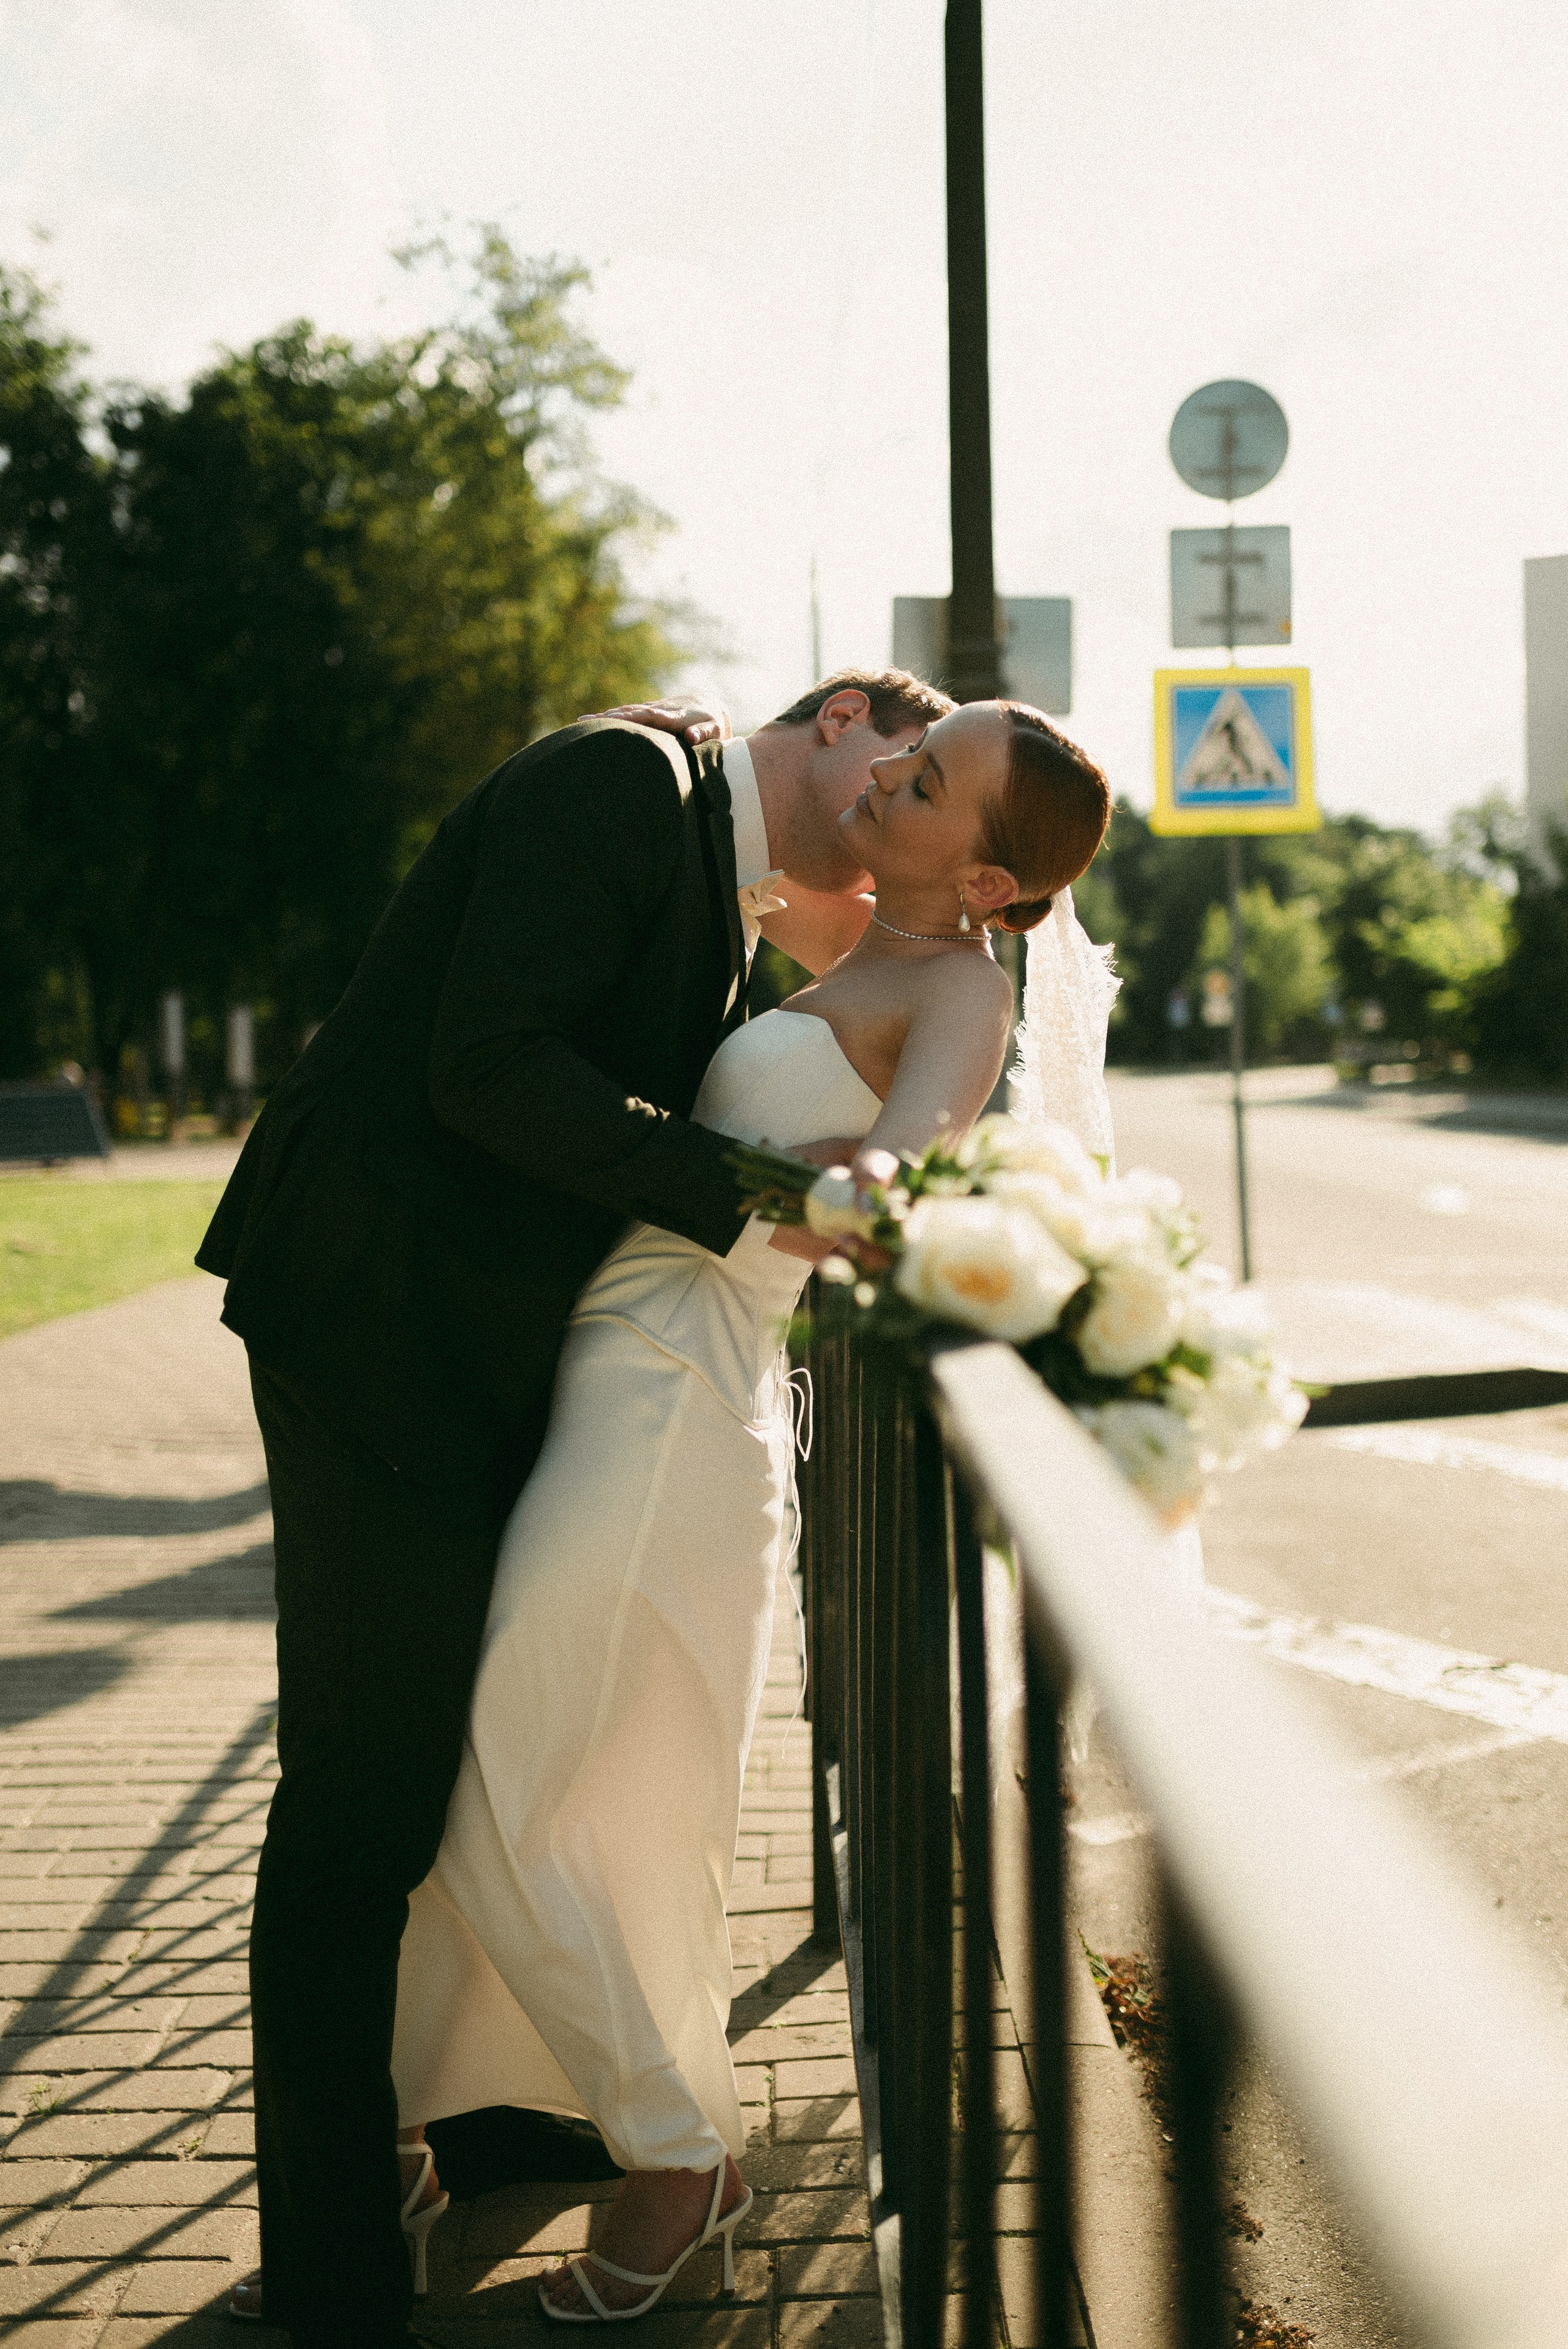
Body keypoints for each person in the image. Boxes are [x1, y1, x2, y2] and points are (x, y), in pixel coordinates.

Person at [197, 669, 957, 2349]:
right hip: (374, 1326)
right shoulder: (620, 784)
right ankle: (332, 2262)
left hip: (483, 1361)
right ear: (836, 717)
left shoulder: (719, 876)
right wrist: (768, 1197)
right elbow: (488, 1067)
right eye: (912, 759)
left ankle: (486, 2135)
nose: (918, 796)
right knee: (364, 1800)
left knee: (469, 1754)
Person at [385, 696, 1113, 2322]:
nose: (886, 786)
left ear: (991, 880)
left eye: (927, 786)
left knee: (499, 1762)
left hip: (673, 1393)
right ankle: (419, 2118)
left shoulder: (959, 993)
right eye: (903, 760)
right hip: (606, 1358)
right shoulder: (842, 944)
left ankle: (681, 2153)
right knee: (556, 1772)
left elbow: (886, 1194)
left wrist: (836, 1185)